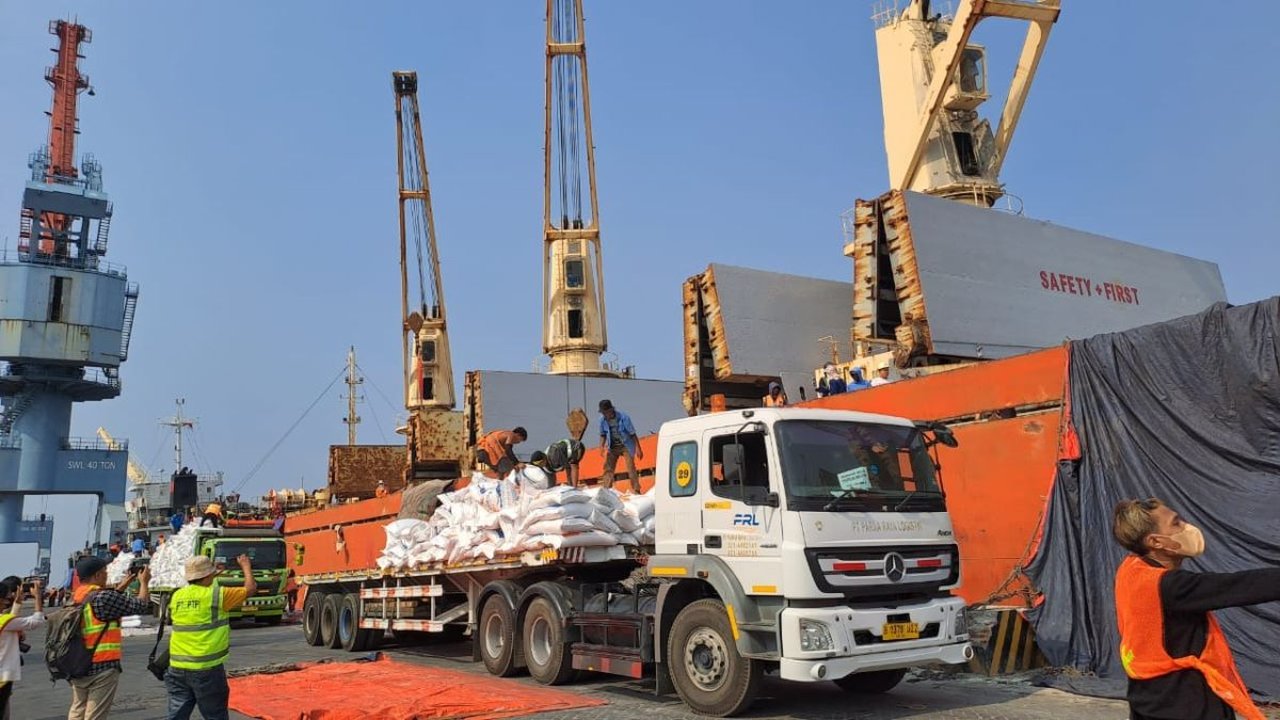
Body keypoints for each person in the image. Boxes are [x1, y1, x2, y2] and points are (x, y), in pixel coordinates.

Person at [1111, 498, 1280, 720]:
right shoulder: (1171, 586)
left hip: (1147, 696)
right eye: (1176, 523)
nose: (1186, 527)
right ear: (1156, 542)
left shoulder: (1131, 570)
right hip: (1184, 702)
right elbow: (1240, 586)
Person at [166, 555, 256, 720]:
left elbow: (199, 592)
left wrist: (213, 574)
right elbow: (250, 589)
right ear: (208, 576)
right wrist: (246, 566)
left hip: (177, 666)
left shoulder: (177, 595)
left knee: (177, 714)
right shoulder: (218, 595)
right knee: (215, 714)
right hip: (206, 668)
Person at [67, 555, 152, 720]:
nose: (107, 575)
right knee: (95, 714)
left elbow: (102, 607)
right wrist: (144, 582)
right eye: (105, 572)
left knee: (78, 709)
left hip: (78, 663)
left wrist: (121, 587)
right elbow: (141, 605)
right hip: (102, 665)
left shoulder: (76, 596)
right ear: (97, 575)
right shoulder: (104, 597)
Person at [1, 577, 45, 720]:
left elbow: (10, 619)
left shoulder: (5, 621)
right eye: (7, 598)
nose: (8, 601)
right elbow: (37, 621)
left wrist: (17, 603)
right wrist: (38, 597)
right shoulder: (4, 621)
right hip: (3, 673)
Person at [598, 400, 643, 493]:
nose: (605, 415)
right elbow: (603, 435)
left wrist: (638, 448)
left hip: (626, 445)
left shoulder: (623, 417)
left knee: (630, 467)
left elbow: (632, 434)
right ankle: (606, 490)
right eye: (603, 413)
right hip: (612, 447)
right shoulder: (602, 420)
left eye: (606, 412)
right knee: (608, 468)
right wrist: (601, 446)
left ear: (611, 410)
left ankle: (636, 489)